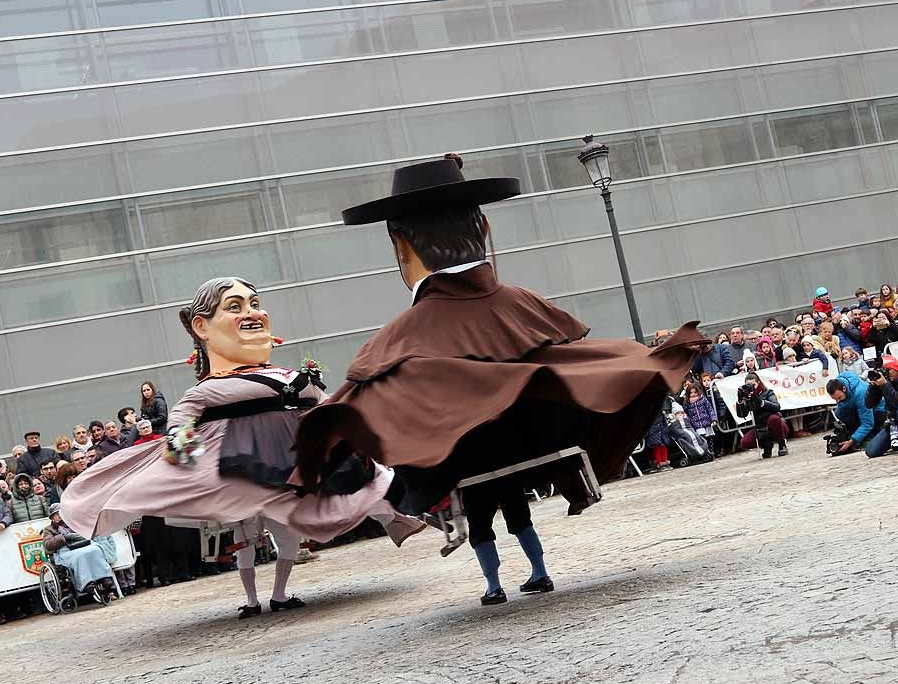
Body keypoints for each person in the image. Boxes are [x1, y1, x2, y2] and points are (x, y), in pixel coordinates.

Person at [291, 154, 700, 606]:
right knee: (510, 515)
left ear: (400, 245)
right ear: (484, 229)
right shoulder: (523, 305)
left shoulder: (397, 341)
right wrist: (646, 361)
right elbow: (571, 357)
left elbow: (348, 412)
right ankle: (529, 574)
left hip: (465, 460)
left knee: (486, 521)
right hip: (529, 442)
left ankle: (498, 584)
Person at [60, 277, 425, 618]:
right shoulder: (207, 389)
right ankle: (252, 600)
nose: (251, 313)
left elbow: (330, 405)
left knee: (309, 519)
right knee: (244, 539)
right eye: (235, 306)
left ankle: (281, 593)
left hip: (295, 463)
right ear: (203, 327)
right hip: (239, 468)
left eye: (254, 304)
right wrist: (181, 443)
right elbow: (181, 421)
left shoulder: (293, 376)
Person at [42, 506, 118, 602]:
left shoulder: (74, 523)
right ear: (52, 518)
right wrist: (64, 537)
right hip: (65, 551)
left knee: (96, 549)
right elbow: (48, 545)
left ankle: (105, 578)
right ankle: (86, 583)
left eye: (61, 513)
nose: (59, 516)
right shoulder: (48, 530)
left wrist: (78, 535)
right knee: (80, 556)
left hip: (83, 544)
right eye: (56, 515)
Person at [827, 371, 887, 456]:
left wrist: (852, 440)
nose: (837, 401)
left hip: (878, 410)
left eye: (839, 397)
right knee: (839, 412)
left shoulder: (860, 392)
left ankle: (871, 435)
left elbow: (867, 423)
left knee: (869, 434)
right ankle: (858, 434)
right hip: (857, 407)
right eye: (835, 399)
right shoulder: (838, 385)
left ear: (844, 389)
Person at [735, 373, 788, 457]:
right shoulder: (747, 397)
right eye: (748, 385)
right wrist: (740, 401)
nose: (751, 387)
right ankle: (767, 445)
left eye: (753, 385)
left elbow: (777, 407)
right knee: (745, 442)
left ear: (758, 383)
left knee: (773, 419)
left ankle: (782, 445)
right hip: (760, 428)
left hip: (777, 425)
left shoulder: (768, 392)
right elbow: (742, 415)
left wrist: (760, 401)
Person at [864, 354, 898, 457]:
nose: (887, 373)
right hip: (894, 424)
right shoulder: (884, 382)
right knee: (872, 451)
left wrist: (885, 385)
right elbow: (869, 404)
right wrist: (872, 387)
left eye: (889, 370)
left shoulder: (885, 383)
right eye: (884, 371)